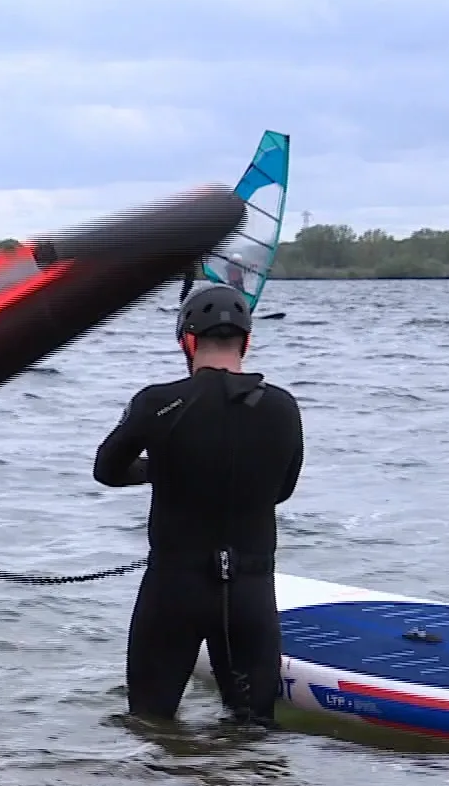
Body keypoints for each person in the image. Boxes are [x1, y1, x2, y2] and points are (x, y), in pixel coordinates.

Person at [93, 281, 303, 724]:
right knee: (254, 736)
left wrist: (162, 468)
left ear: (187, 341)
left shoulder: (158, 403)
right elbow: (282, 490)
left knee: (150, 725)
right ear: (247, 340)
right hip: (249, 593)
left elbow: (108, 470)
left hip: (174, 589)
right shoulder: (283, 408)